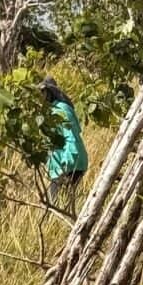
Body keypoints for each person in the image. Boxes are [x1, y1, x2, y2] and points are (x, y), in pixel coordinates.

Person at [42, 78, 88, 213]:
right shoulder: (49, 112)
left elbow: (72, 136)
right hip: (61, 166)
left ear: (49, 92)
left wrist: (66, 163)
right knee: (62, 204)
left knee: (56, 205)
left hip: (69, 164)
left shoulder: (61, 109)